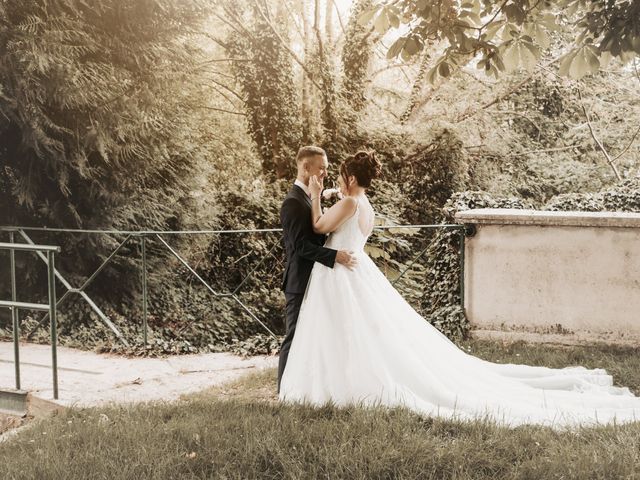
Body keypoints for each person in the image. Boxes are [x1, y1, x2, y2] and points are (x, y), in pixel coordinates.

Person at [279, 150, 640, 429]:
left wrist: (314, 194)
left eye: (340, 176)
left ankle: (337, 384)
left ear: (352, 177)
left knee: (348, 332)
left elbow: (318, 223)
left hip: (342, 273)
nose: (337, 181)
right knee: (362, 332)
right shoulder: (365, 205)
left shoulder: (349, 201)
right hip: (354, 270)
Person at [278, 146, 357, 393]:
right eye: (321, 167)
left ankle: (306, 387)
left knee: (312, 336)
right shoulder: (292, 202)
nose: (325, 172)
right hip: (299, 280)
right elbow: (301, 246)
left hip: (318, 279)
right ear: (306, 168)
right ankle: (283, 390)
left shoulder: (309, 197)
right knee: (294, 337)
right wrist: (336, 256)